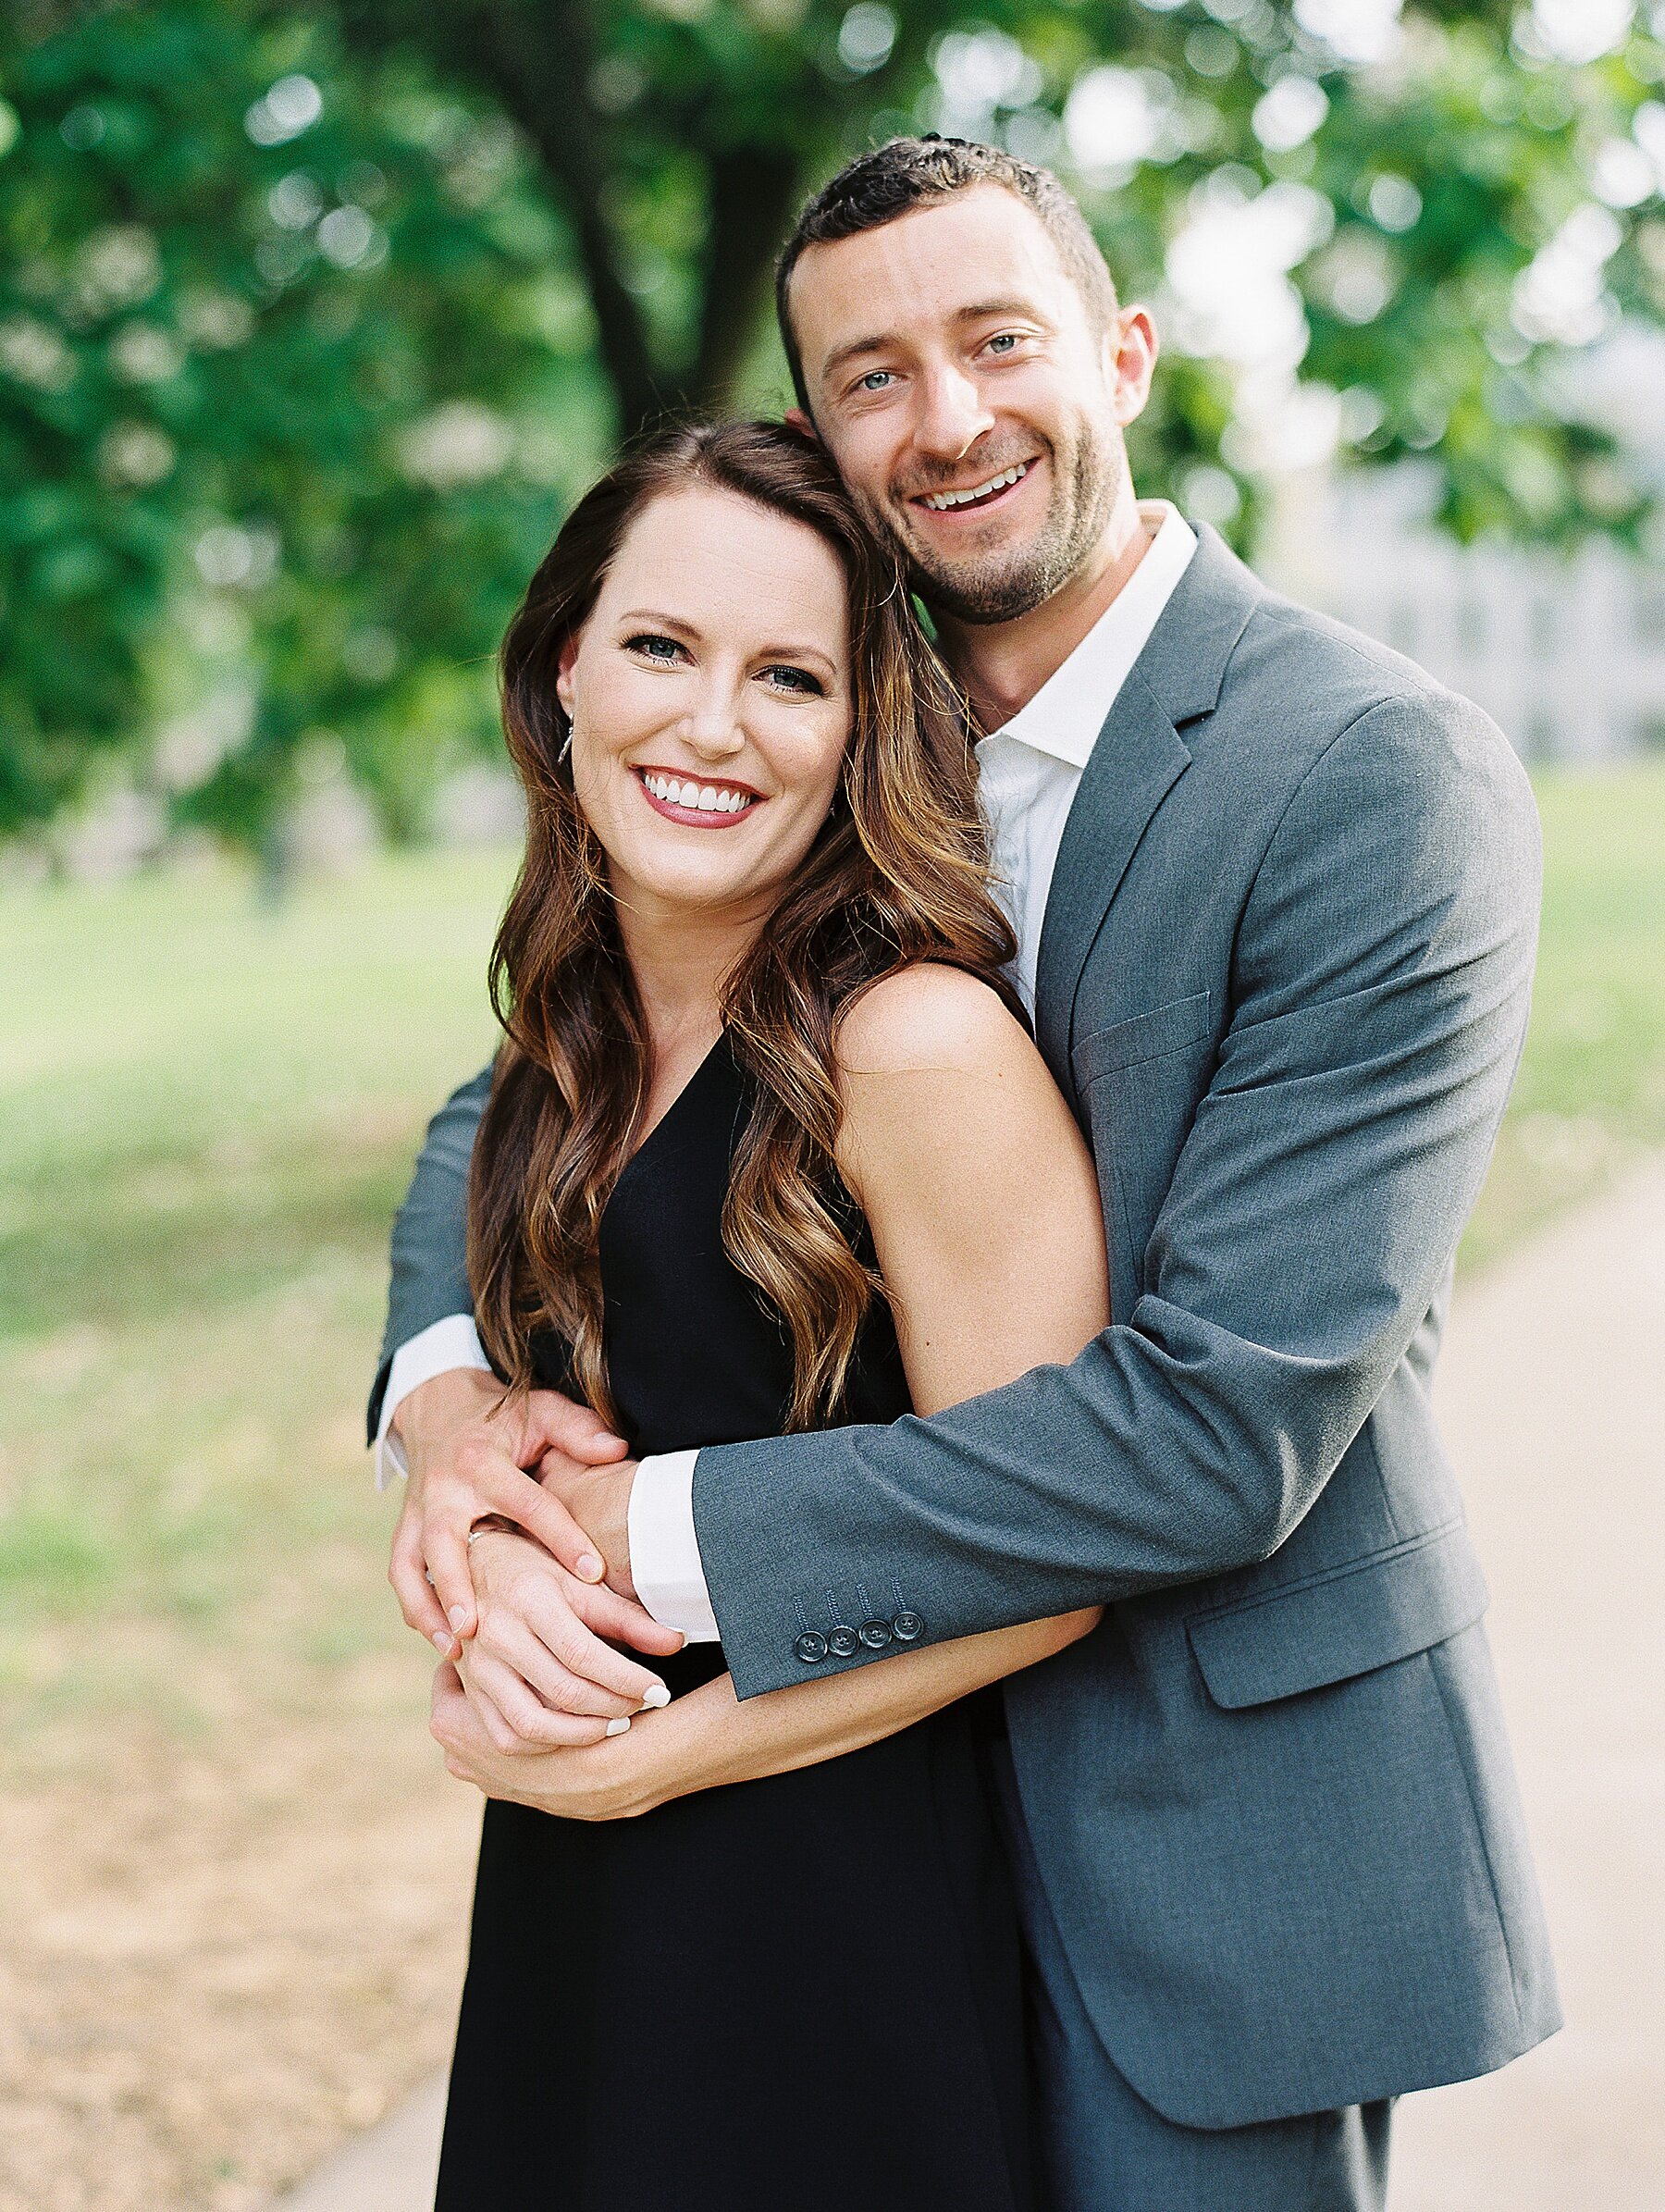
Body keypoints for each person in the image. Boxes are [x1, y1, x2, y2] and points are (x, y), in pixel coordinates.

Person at [380, 142, 1559, 2211]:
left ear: (1118, 353)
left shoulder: (1372, 773)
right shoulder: (831, 706)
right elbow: (530, 1098)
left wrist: (619, 1544)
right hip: (845, 1819)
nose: (946, 419)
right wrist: (449, 1407)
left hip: (1202, 1814)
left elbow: (1216, 1428)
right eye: (870, 375)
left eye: (997, 342)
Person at [426, 415, 1112, 2210]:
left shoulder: (915, 1044)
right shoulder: (559, 1043)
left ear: (855, 728)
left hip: (827, 1917)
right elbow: (538, 1409)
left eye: (790, 676)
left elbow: (1052, 1555)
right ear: (567, 658)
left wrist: (665, 1757)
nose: (713, 724)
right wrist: (477, 1521)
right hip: (579, 1893)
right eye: (661, 646)